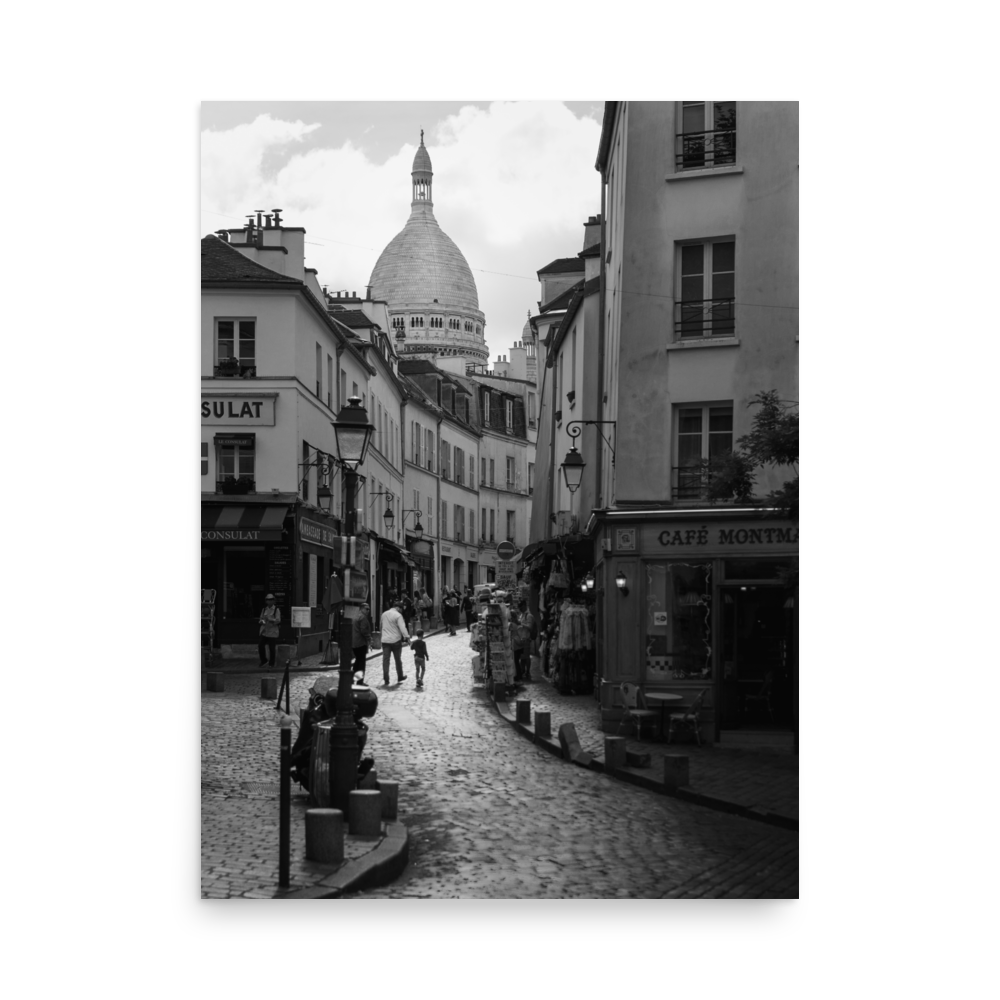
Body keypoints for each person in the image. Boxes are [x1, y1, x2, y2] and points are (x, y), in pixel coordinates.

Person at [379, 600, 410, 685]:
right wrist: (407, 638)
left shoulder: (384, 614)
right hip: (395, 640)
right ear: (397, 607)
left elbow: (381, 627)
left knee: (385, 660)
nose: (401, 610)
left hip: (385, 640)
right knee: (398, 660)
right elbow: (403, 628)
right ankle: (400, 676)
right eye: (401, 608)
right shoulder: (398, 615)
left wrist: (382, 637)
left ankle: (386, 679)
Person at [258, 593, 281, 668]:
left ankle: (272, 663)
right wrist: (262, 621)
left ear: (273, 601)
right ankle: (264, 660)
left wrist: (270, 619)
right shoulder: (264, 609)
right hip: (264, 631)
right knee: (260, 646)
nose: (269, 601)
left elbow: (278, 620)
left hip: (272, 632)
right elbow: (261, 618)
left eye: (271, 600)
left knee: (272, 648)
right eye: (268, 600)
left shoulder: (276, 609)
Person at [351, 603, 373, 681]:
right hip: (361, 643)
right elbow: (364, 630)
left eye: (369, 609)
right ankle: (360, 681)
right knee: (361, 663)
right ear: (362, 608)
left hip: (354, 643)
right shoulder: (362, 617)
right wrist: (369, 639)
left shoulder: (355, 616)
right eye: (366, 609)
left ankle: (352, 678)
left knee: (358, 661)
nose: (368, 611)